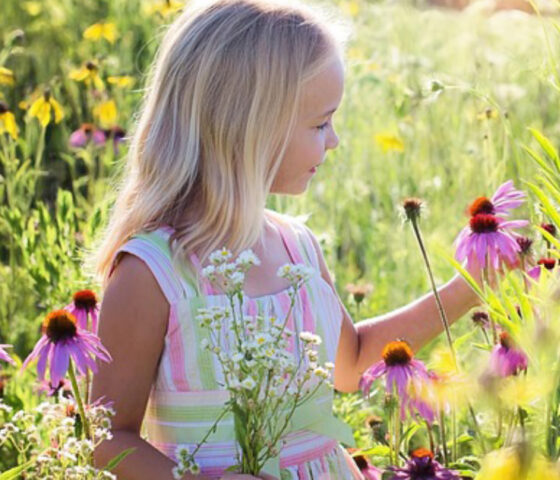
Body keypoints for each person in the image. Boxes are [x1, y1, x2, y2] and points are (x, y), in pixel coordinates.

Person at [85, 1, 484, 478]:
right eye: (320, 123)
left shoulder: (298, 246)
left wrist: (472, 284)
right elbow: (108, 439)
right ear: (248, 127)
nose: (333, 140)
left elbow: (351, 364)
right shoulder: (153, 273)